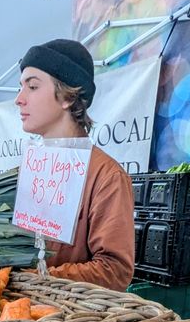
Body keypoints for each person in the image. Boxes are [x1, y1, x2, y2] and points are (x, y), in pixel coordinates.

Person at [16, 38, 135, 291]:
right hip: (18, 308)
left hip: (71, 314)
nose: (19, 99)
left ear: (67, 97)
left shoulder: (107, 177)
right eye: (21, 87)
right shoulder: (28, 169)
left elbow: (115, 270)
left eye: (32, 87)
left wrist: (40, 277)